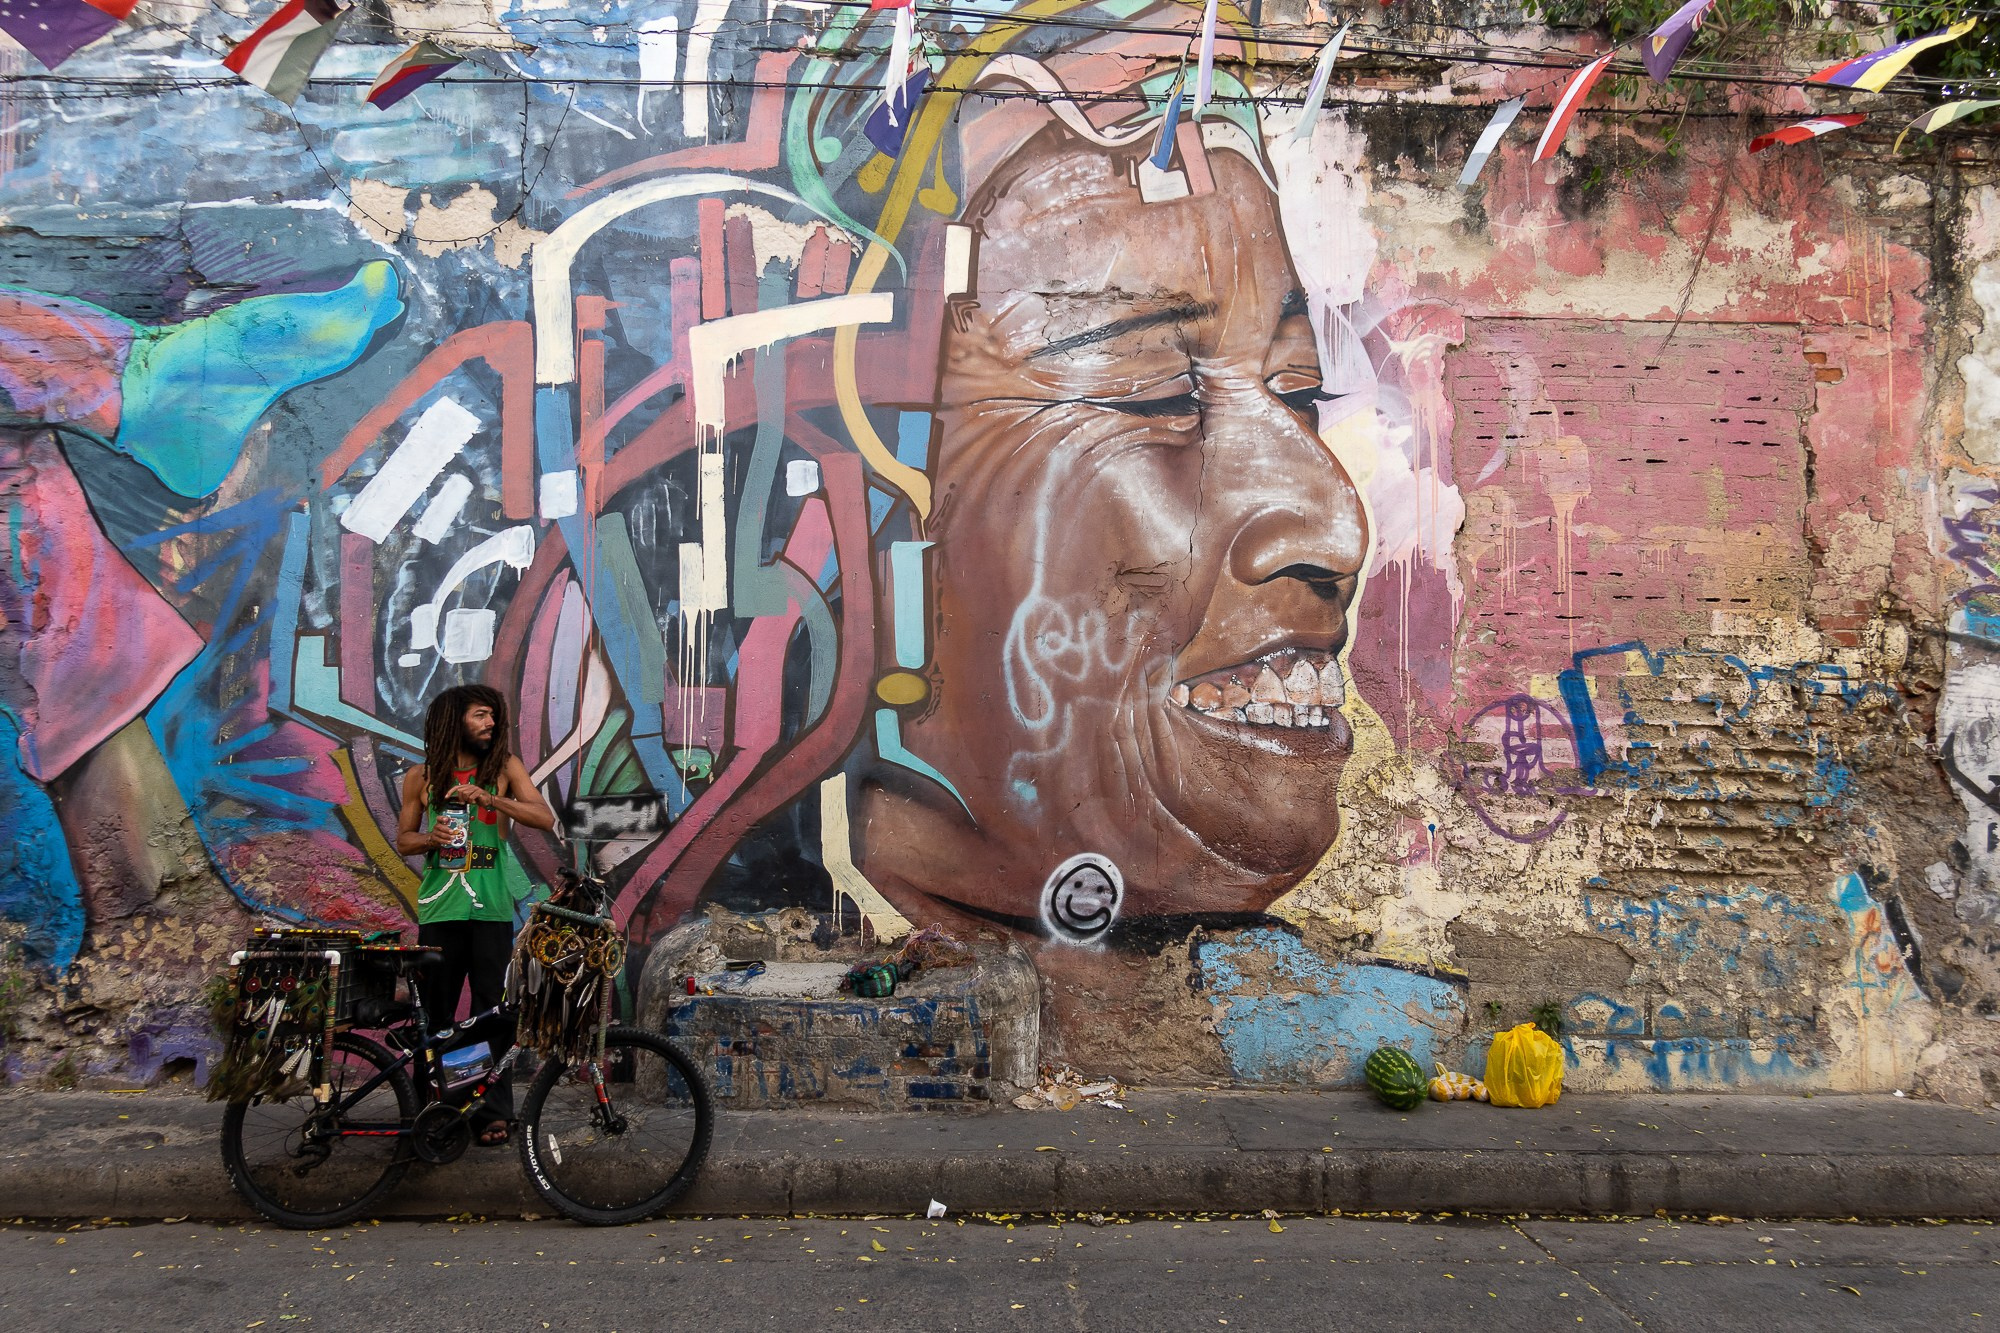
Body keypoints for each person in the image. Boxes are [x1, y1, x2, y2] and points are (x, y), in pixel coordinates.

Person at [394, 683, 555, 1146]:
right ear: (454, 720)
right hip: (440, 909)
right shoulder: (420, 777)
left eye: (493, 717)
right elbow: (404, 839)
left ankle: (490, 1112)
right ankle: (437, 1110)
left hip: (490, 910)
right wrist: (431, 839)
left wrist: (491, 800)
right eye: (482, 715)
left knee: (493, 1013)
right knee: (437, 1016)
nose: (492, 724)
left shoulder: (503, 769)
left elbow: (542, 817)